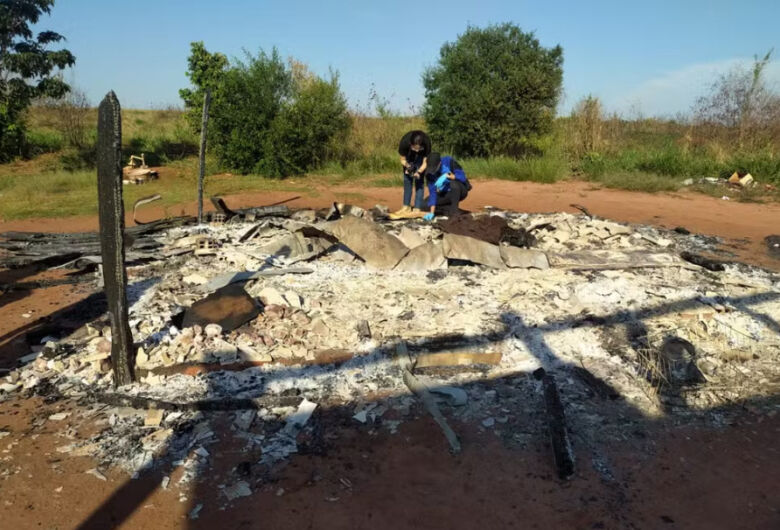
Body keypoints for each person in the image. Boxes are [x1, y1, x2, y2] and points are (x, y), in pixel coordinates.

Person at [389, 130, 431, 219]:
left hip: (421, 158)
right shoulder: (404, 142)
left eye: (419, 148)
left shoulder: (427, 143)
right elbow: (402, 159)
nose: (417, 150)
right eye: (415, 148)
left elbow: (425, 162)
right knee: (407, 180)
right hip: (408, 157)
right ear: (410, 144)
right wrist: (408, 166)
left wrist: (419, 171)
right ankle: (406, 207)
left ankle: (417, 208)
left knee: (419, 181)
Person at [422, 152, 471, 220]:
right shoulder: (429, 173)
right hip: (444, 194)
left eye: (434, 168)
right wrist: (432, 212)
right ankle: (451, 210)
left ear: (439, 163)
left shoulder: (449, 161)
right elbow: (433, 192)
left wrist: (450, 176)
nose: (433, 171)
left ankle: (454, 212)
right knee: (424, 205)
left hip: (459, 190)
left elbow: (463, 177)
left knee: (453, 183)